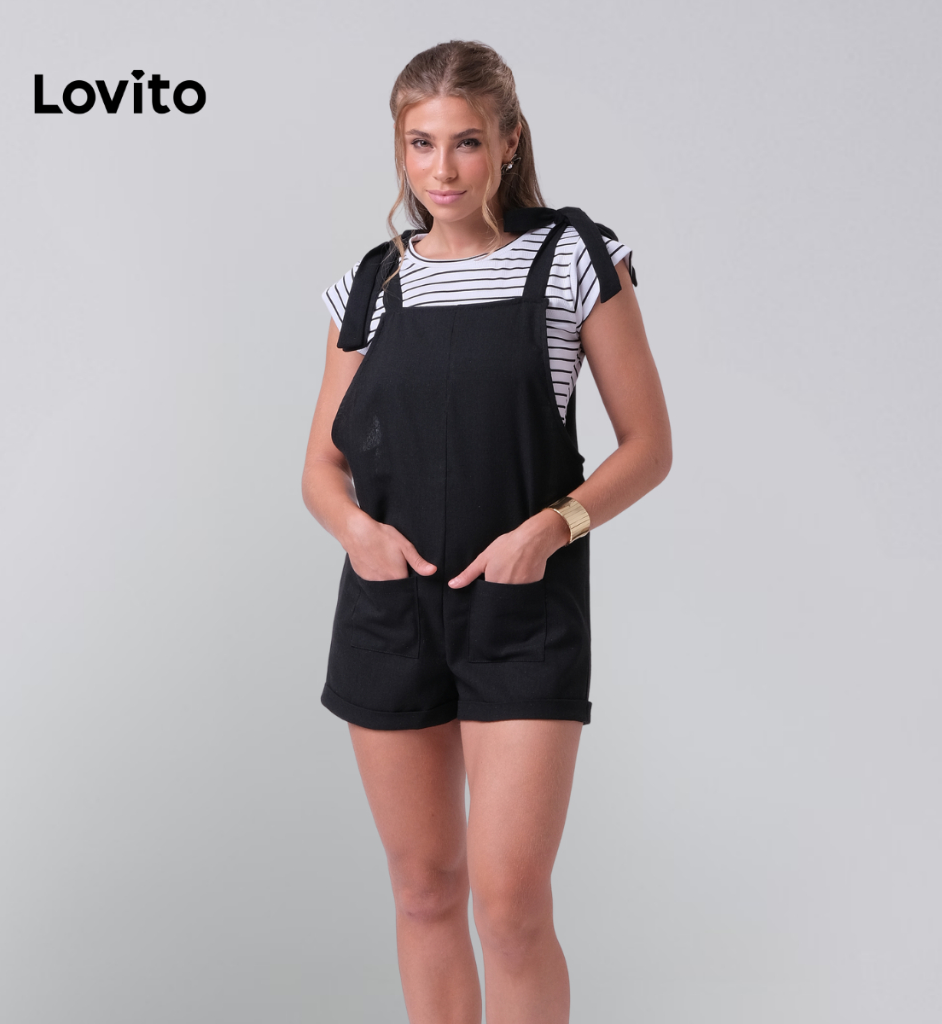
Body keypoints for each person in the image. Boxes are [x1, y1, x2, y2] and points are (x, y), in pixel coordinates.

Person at [301, 39, 672, 1024]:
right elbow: (320, 469)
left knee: (510, 908)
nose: (443, 169)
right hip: (390, 614)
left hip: (522, 613)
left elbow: (648, 447)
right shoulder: (370, 286)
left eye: (466, 142)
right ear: (400, 149)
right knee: (425, 892)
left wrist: (552, 528)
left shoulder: (574, 259)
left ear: (509, 142)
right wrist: (358, 534)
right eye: (420, 144)